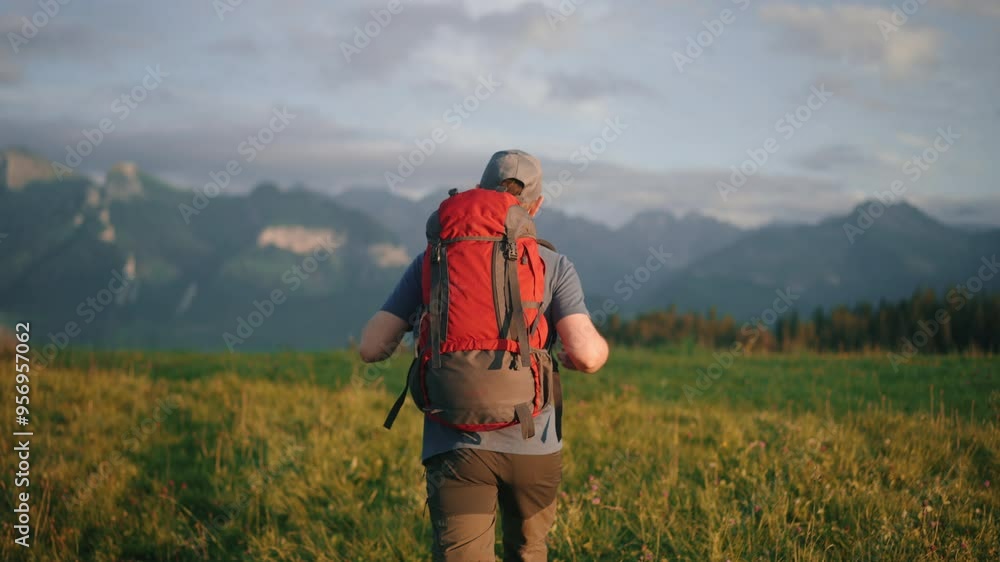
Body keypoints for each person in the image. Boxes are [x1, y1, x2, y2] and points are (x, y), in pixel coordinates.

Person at [359, 149, 609, 561]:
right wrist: (580, 352)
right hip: (535, 443)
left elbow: (371, 348)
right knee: (528, 553)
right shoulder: (553, 264)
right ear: (537, 205)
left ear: (479, 192)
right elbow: (587, 355)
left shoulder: (435, 260)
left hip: (455, 443)